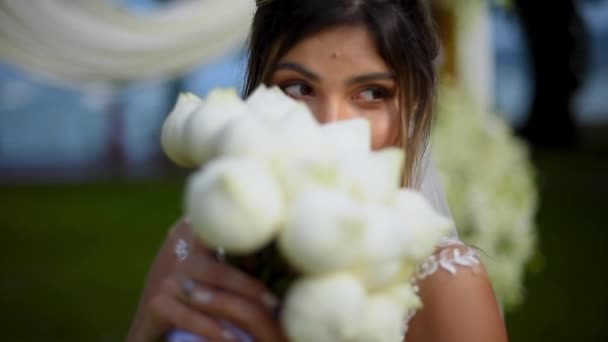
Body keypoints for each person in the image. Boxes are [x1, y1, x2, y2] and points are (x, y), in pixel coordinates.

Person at [127, 0, 508, 341]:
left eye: (372, 94)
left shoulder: (446, 286)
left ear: (413, 107)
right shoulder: (194, 243)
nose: (330, 125)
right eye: (298, 88)